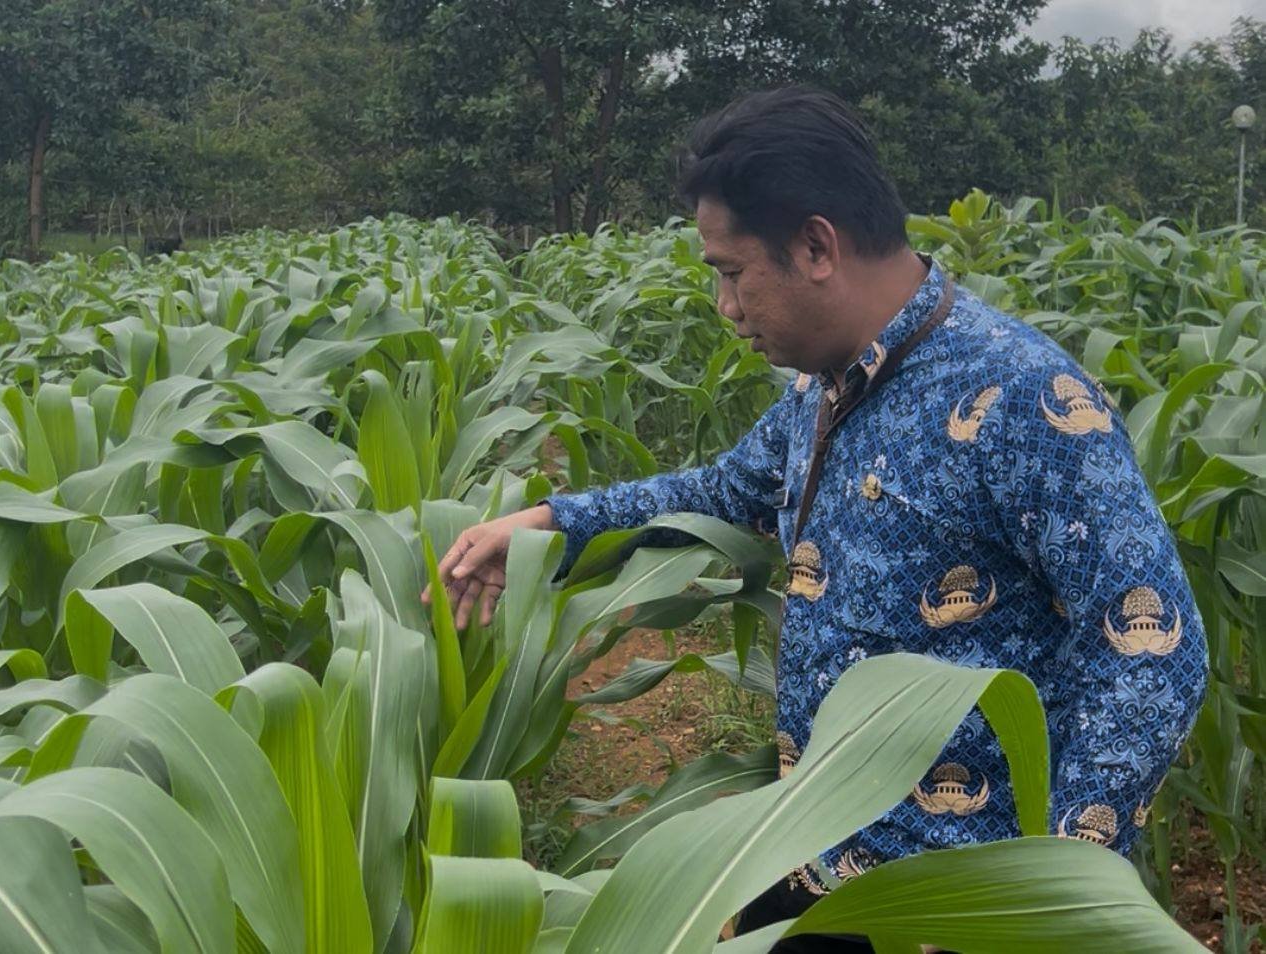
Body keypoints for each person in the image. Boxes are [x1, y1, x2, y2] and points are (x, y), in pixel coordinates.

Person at [423, 86, 1209, 951]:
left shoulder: (1024, 397)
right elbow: (726, 492)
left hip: (941, 908)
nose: (726, 307)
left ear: (815, 246)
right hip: (810, 853)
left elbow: (1153, 649)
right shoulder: (826, 387)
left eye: (732, 273)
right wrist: (551, 521)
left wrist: (1040, 896)